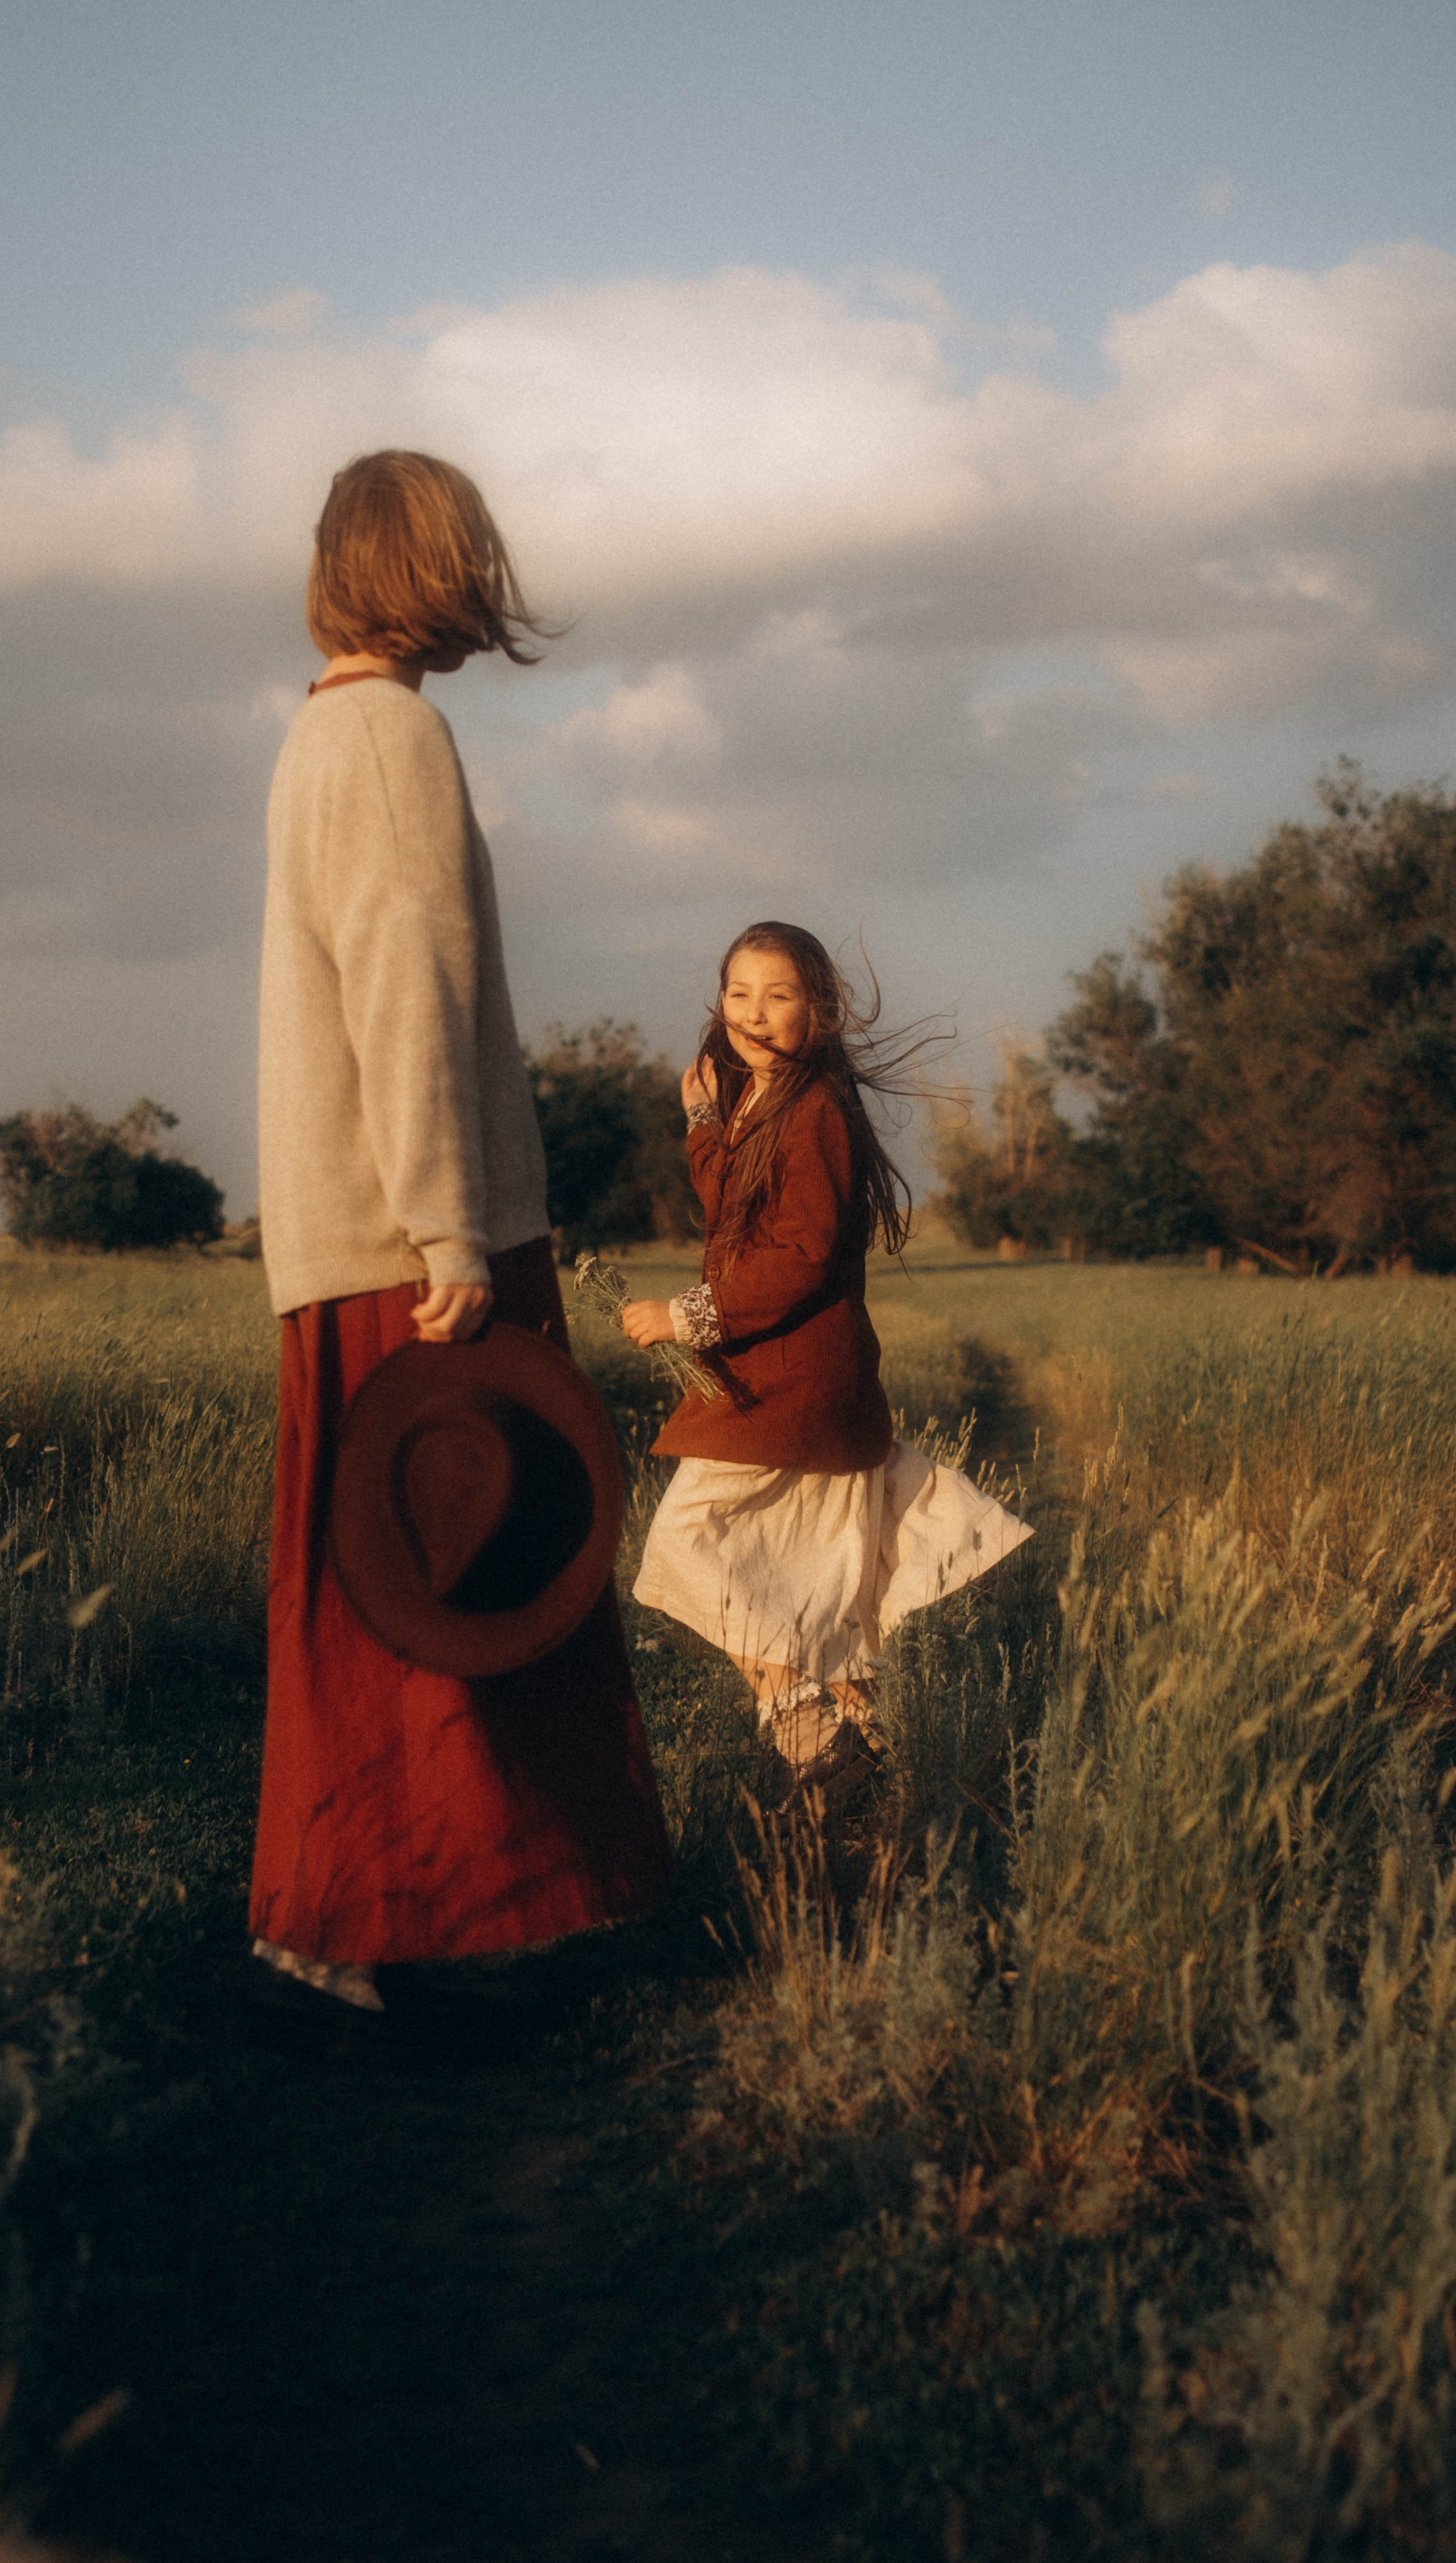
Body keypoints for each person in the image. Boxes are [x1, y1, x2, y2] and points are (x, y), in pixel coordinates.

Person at [252, 449, 670, 2020]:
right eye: (469, 554)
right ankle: (376, 1920)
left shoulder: (321, 730)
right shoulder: (391, 738)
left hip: (353, 1239)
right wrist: (448, 1231)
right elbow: (403, 983)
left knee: (382, 1595)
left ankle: (374, 1915)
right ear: (431, 569)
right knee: (447, 1597)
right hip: (407, 1245)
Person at [623, 922, 1032, 1790]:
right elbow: (735, 1209)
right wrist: (703, 1120)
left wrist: (686, 1316)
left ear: (820, 1010)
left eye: (778, 996)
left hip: (791, 1386)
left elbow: (799, 1258)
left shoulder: (814, 1111)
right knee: (822, 1585)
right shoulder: (767, 1100)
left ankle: (806, 1728)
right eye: (739, 993)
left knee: (686, 1542)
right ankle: (868, 1788)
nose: (753, 1013)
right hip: (795, 1384)